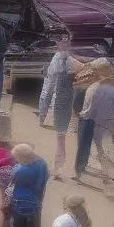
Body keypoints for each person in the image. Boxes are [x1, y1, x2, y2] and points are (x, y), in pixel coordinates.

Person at [38, 39, 85, 178]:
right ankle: (59, 167)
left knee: (62, 137)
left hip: (64, 102)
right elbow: (49, 86)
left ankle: (59, 167)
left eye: (66, 44)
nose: (64, 46)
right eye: (62, 43)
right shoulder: (62, 60)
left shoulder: (68, 61)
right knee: (61, 137)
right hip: (60, 102)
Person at [73, 58, 114, 182]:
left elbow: (88, 109)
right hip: (103, 121)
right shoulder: (111, 86)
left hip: (88, 120)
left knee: (84, 146)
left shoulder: (95, 88)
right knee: (100, 147)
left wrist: (81, 115)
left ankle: (80, 170)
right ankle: (105, 172)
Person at [9, 143, 48, 227]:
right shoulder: (42, 164)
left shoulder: (20, 170)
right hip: (36, 200)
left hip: (21, 204)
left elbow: (12, 178)